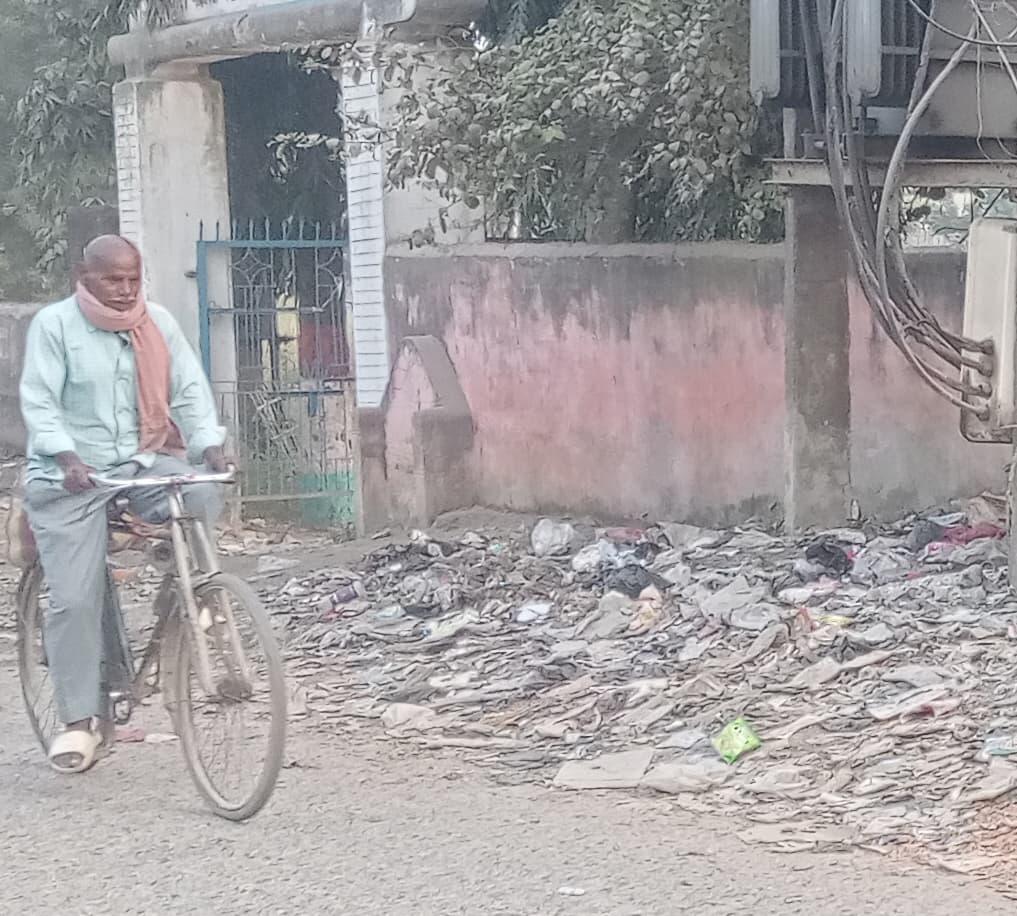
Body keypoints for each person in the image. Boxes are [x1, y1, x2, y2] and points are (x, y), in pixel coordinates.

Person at [19, 235, 228, 775]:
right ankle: (78, 720)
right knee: (74, 599)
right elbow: (40, 400)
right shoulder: (55, 326)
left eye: (133, 278)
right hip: (70, 477)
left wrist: (207, 442)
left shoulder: (155, 322)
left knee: (202, 487)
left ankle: (189, 589)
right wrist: (64, 455)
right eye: (113, 279)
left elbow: (188, 390)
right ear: (82, 275)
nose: (124, 289)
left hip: (138, 465)